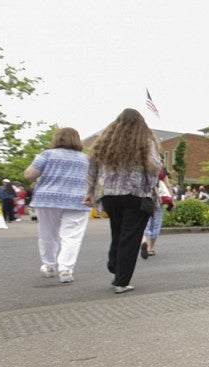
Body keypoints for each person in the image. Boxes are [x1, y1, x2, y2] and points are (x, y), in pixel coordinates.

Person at [83, 108, 161, 294]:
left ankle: (115, 263)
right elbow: (154, 167)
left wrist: (90, 192)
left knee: (117, 232)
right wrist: (151, 187)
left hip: (109, 194)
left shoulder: (105, 141)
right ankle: (121, 280)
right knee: (130, 237)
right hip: (136, 194)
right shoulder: (145, 141)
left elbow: (92, 167)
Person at [23, 128, 91, 283]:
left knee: (47, 233)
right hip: (77, 200)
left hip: (48, 199)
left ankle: (49, 265)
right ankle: (65, 269)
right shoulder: (86, 159)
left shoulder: (47, 154)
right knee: (72, 236)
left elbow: (29, 175)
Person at [140, 166, 173, 259]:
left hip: (145, 197)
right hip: (159, 198)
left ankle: (144, 241)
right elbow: (167, 185)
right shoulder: (161, 168)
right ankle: (150, 249)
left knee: (145, 221)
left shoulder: (143, 165)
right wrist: (171, 197)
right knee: (156, 222)